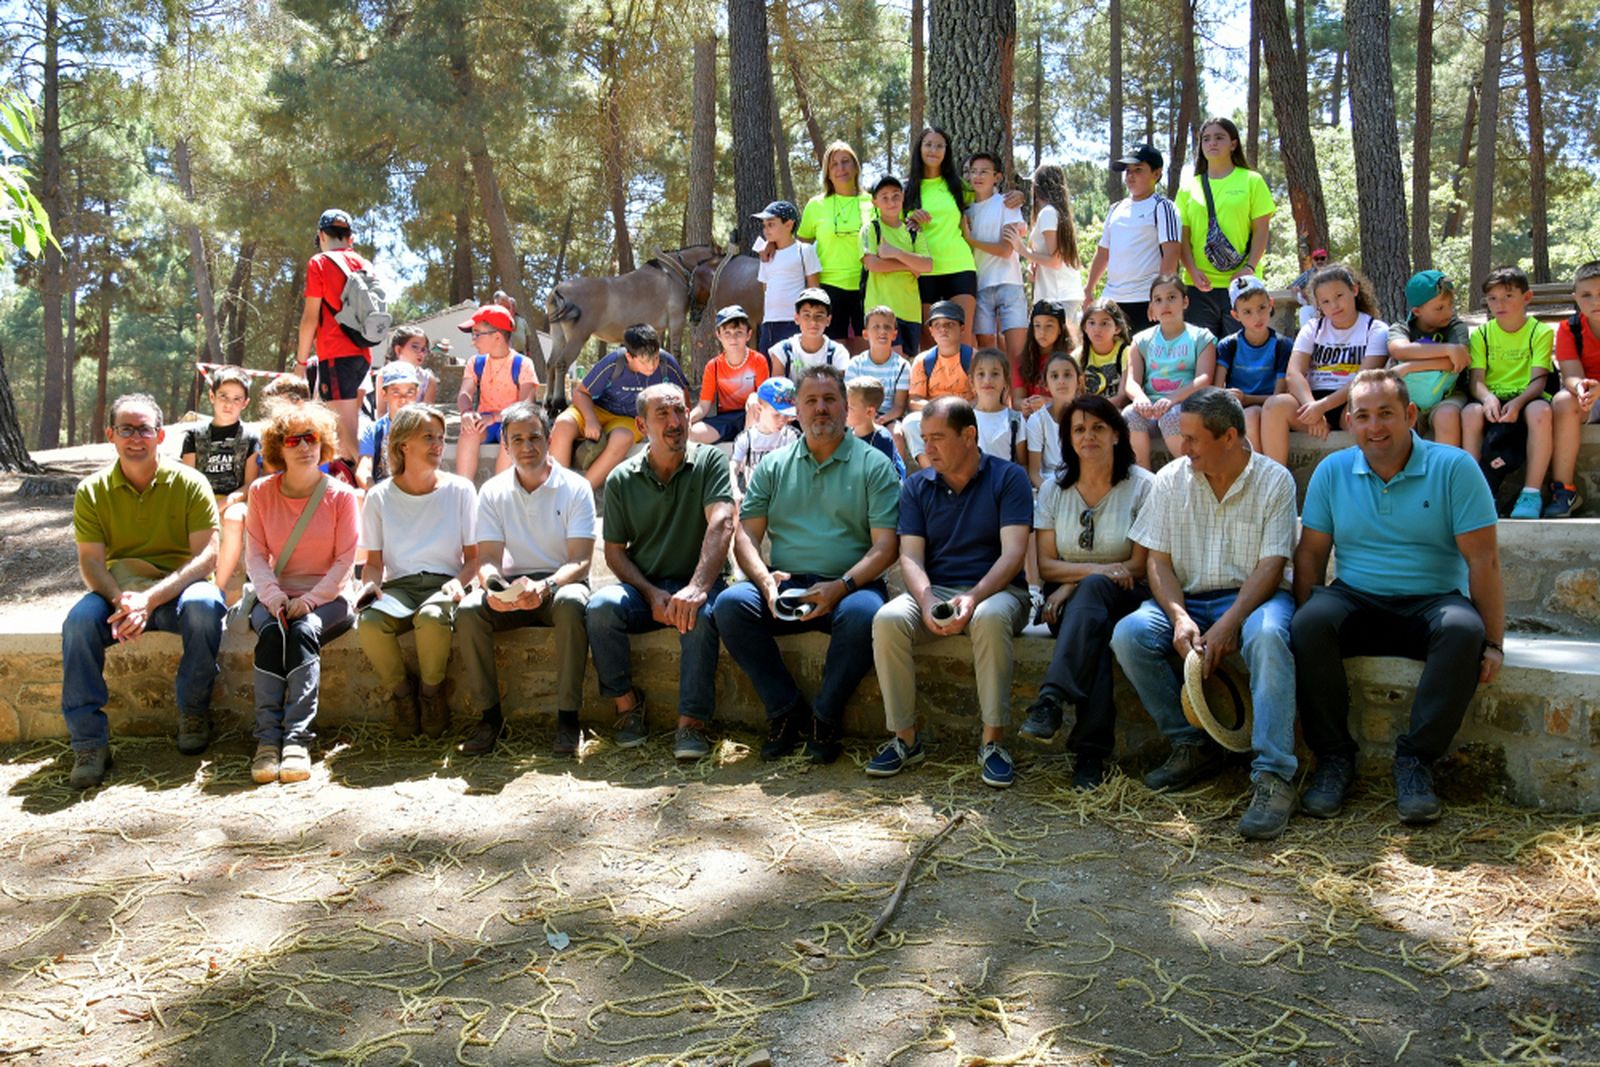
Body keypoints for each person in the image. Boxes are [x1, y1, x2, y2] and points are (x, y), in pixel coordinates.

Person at [1291, 369, 1503, 825]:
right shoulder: (1332, 471)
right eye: (1363, 416)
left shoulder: (1454, 469)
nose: (1375, 426)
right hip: (1356, 598)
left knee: (1464, 630)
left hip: (1431, 600)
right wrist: (1297, 626)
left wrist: (1495, 641)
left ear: (1410, 414)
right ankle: (1333, 760)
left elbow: (1484, 563)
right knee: (1309, 622)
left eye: (1386, 413)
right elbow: (1310, 556)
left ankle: (1415, 763)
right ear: (1349, 421)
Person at [1109, 388, 1299, 841]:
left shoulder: (1275, 481)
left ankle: (1274, 775)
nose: (1182, 447)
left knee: (1269, 636)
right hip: (1189, 598)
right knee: (1130, 634)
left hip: (1255, 598)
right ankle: (1190, 743)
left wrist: (1229, 622)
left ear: (1229, 436)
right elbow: (1157, 561)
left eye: (1192, 439)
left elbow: (1272, 566)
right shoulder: (1172, 479)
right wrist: (1178, 617)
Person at [716, 365, 901, 764]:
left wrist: (842, 586)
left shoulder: (873, 465)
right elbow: (745, 536)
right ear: (796, 411)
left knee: (865, 615)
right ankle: (784, 709)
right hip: (786, 587)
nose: (821, 409)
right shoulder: (773, 466)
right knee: (731, 606)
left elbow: (885, 547)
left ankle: (824, 717)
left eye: (830, 400)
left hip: (851, 587)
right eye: (811, 401)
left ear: (845, 407)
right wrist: (765, 583)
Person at [62, 394, 226, 789]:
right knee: (78, 625)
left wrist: (150, 600)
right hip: (120, 597)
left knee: (206, 606)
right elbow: (91, 563)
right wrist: (123, 601)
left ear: (161, 435)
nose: (136, 438)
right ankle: (89, 743)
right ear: (111, 435)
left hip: (178, 592)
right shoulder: (92, 490)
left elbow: (207, 558)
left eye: (145, 429)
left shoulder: (190, 482)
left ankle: (193, 712)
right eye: (126, 429)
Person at [868, 396, 1033, 788]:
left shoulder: (1009, 478)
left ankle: (992, 743)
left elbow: (1013, 555)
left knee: (990, 619)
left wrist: (974, 597)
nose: (929, 448)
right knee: (888, 619)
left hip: (999, 591)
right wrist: (926, 600)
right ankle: (905, 739)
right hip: (937, 590)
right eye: (925, 438)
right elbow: (910, 557)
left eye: (939, 437)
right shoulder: (916, 486)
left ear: (969, 435)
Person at [587, 384, 735, 759]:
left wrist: (698, 587)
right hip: (646, 588)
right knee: (601, 607)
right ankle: (626, 707)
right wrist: (650, 593)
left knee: (699, 616)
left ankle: (691, 725)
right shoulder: (621, 478)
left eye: (680, 412)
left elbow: (721, 523)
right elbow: (615, 553)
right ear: (640, 424)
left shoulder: (710, 462)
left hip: (700, 583)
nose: (674, 422)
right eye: (663, 414)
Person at [1019, 395, 1155, 789]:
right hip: (1072, 606)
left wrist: (1069, 585)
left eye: (1098, 427)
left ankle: (1051, 698)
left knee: (1092, 597)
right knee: (1091, 635)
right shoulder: (1053, 490)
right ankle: (1089, 758)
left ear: (1116, 434)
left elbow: (1137, 564)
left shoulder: (1142, 486)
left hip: (1128, 600)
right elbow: (1044, 565)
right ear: (1068, 438)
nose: (1088, 436)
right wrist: (1068, 585)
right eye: (1078, 429)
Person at [456, 402, 595, 758]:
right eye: (517, 439)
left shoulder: (576, 488)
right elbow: (487, 560)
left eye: (535, 437)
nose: (527, 446)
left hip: (560, 584)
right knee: (470, 610)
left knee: (570, 605)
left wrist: (546, 586)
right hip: (512, 586)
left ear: (549, 439)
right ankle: (490, 718)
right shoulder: (493, 492)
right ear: (505, 445)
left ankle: (567, 719)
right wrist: (497, 588)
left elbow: (580, 560)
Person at [243, 402, 359, 785]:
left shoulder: (341, 496)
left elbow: (345, 561)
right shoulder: (261, 492)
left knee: (303, 630)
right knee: (273, 631)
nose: (304, 446)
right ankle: (267, 742)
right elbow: (256, 555)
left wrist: (308, 601)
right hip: (274, 593)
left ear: (323, 443)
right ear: (279, 447)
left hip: (326, 598)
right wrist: (274, 597)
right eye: (293, 439)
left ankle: (297, 741)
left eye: (311, 437)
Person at [358, 405, 478, 740]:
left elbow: (474, 559)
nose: (438, 444)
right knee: (368, 624)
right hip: (399, 589)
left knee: (431, 618)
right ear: (402, 444)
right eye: (428, 437)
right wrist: (368, 587)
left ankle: (431, 695)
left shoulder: (461, 490)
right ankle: (403, 696)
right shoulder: (379, 497)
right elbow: (374, 564)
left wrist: (457, 584)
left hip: (444, 585)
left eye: (441, 438)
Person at [1261, 263, 1389, 468]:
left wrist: (1323, 407)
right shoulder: (1313, 327)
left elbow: (1364, 379)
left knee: (1364, 406)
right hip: (1310, 400)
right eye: (1326, 301)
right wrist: (1312, 409)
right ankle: (1279, 486)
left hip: (1350, 398)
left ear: (1354, 290)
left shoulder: (1376, 329)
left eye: (1339, 296)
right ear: (1318, 305)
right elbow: (1294, 373)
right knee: (1274, 406)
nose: (1334, 306)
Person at [1461, 266, 1557, 519]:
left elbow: (1539, 380)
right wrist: (1488, 398)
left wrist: (1518, 402)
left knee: (1541, 411)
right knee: (1470, 413)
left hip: (1527, 397)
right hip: (1492, 398)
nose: (1499, 304)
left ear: (1526, 297)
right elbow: (1477, 381)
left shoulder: (1540, 332)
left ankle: (1531, 492)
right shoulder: (1481, 334)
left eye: (1508, 296)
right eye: (1493, 298)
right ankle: (1479, 492)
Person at [549, 323, 689, 493]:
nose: (652, 366)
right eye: (645, 362)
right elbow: (581, 393)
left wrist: (684, 422)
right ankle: (556, 492)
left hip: (630, 419)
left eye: (656, 359)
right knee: (563, 424)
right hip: (597, 410)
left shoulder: (667, 364)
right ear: (629, 357)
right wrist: (590, 419)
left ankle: (578, 494)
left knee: (622, 438)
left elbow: (683, 393)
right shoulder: (614, 363)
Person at [1174, 120, 1274, 338]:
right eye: (1206, 138)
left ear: (1233, 144)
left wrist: (1249, 267)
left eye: (1219, 137)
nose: (1212, 143)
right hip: (1199, 287)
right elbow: (1182, 236)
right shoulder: (1188, 187)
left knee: (1240, 353)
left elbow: (1261, 230)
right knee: (1202, 354)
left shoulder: (1252, 181)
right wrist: (1191, 270)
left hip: (1242, 285)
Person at [296, 208, 376, 474]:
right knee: (347, 430)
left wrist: (301, 361)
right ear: (350, 238)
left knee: (346, 437)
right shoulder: (365, 264)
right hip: (362, 356)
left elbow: (310, 317)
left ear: (321, 235)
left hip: (335, 355)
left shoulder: (319, 263)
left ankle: (368, 492)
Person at [180, 366, 260, 601]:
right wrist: (206, 506)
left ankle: (223, 586)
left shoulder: (250, 437)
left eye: (236, 399)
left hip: (235, 500)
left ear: (245, 403)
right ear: (212, 396)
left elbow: (250, 484)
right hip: (201, 499)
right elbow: (188, 478)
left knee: (234, 517)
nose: (229, 404)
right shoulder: (194, 436)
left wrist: (225, 502)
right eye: (223, 396)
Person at [1122, 273, 1218, 467]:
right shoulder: (1141, 340)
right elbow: (1132, 381)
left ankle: (1193, 471)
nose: (1165, 304)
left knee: (1171, 417)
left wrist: (1172, 399)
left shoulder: (1201, 337)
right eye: (1158, 300)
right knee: (1129, 414)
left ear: (1185, 301)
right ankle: (1146, 476)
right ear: (1152, 306)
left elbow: (1204, 378)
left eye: (1171, 297)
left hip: (1185, 407)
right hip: (1150, 409)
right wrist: (1140, 399)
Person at [1085, 144, 1181, 335]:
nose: (1130, 176)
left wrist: (1158, 299)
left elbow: (1171, 254)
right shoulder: (1116, 208)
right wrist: (1088, 289)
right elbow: (1103, 252)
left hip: (1144, 301)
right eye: (1128, 171)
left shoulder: (1164, 207)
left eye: (1138, 170)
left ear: (1157, 173)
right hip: (1112, 302)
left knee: (1143, 362)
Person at [797, 141, 873, 352]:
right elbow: (801, 246)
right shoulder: (816, 205)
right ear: (827, 173)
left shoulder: (872, 201)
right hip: (828, 286)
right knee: (835, 352)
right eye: (834, 165)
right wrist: (772, 245)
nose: (841, 169)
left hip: (866, 285)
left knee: (864, 349)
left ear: (856, 166)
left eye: (846, 162)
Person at [905, 127, 978, 344]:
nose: (933, 150)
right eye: (928, 144)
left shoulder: (959, 186)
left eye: (939, 145)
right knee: (929, 341)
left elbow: (988, 198)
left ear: (946, 151)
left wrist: (1018, 196)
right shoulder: (906, 189)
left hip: (960, 267)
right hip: (924, 270)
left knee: (962, 339)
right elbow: (892, 227)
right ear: (919, 149)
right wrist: (909, 220)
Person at [455, 304, 539, 481]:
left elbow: (525, 406)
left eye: (477, 334)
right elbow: (465, 393)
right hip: (485, 421)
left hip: (513, 421)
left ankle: (497, 495)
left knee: (509, 436)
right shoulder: (475, 363)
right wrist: (466, 412)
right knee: (469, 431)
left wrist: (495, 417)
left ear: (497, 337)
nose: (473, 340)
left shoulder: (523, 364)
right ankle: (463, 491)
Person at [1386, 270, 1470, 448]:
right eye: (1439, 308)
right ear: (1417, 311)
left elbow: (1457, 361)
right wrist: (1448, 348)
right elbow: (1399, 350)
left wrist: (1409, 367)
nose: (1448, 312)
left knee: (1446, 415)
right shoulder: (1402, 327)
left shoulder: (1455, 327)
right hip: (1410, 397)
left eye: (1450, 305)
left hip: (1448, 396)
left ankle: (1447, 473)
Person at [963, 152, 1029, 365]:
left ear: (997, 177)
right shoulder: (966, 210)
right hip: (980, 287)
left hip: (1009, 285)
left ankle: (1018, 398)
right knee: (987, 356)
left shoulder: (1007, 203)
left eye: (984, 171)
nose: (977, 176)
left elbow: (1005, 249)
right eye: (973, 172)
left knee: (1016, 354)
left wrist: (972, 240)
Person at [1214, 276, 1292, 452]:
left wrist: (1247, 398)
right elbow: (1217, 391)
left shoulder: (1282, 345)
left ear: (1270, 304)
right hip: (1237, 409)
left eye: (1262, 308)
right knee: (1250, 415)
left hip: (1270, 409)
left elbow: (1278, 396)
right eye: (1247, 312)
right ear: (1235, 315)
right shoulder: (1228, 345)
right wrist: (1233, 397)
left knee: (1255, 413)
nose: (1257, 317)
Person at [1549, 260, 1600, 517]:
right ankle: (1565, 491)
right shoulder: (1570, 329)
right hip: (1589, 397)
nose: (1595, 302)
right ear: (1575, 298)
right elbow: (1570, 374)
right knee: (1561, 401)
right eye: (1587, 295)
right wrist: (1581, 388)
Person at [860, 175, 932, 354]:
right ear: (875, 201)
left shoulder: (913, 231)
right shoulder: (871, 229)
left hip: (911, 311)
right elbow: (872, 264)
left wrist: (895, 253)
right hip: (881, 311)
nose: (891, 202)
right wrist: (909, 265)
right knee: (892, 362)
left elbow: (927, 265)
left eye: (896, 196)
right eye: (884, 197)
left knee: (908, 367)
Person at [900, 301, 976, 465]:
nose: (943, 329)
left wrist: (959, 409)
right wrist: (939, 410)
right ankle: (931, 473)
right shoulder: (923, 360)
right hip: (932, 412)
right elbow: (914, 399)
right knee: (911, 422)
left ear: (962, 329)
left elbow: (981, 398)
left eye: (950, 324)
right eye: (937, 325)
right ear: (931, 331)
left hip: (967, 412)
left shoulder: (973, 358)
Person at [689, 305, 770, 445]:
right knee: (693, 433)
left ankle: (746, 446)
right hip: (724, 420)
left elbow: (764, 400)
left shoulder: (758, 360)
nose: (733, 338)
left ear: (748, 334)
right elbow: (704, 406)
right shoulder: (713, 366)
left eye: (739, 332)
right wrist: (688, 418)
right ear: (718, 335)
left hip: (752, 416)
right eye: (727, 333)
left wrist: (754, 404)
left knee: (753, 398)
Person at [1017, 162, 1085, 324]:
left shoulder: (1047, 213)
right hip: (1061, 294)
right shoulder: (1057, 213)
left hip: (1058, 297)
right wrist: (1034, 263)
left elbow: (1055, 261)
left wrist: (1021, 249)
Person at [754, 200, 820, 353]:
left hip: (794, 323)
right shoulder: (766, 255)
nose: (765, 230)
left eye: (771, 224)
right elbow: (766, 288)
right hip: (769, 324)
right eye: (764, 225)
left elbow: (814, 289)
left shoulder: (805, 250)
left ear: (789, 225)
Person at [358, 361, 423, 488]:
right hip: (383, 493)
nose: (403, 399)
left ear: (417, 393)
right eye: (396, 392)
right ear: (384, 394)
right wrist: (376, 492)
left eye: (409, 392)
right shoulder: (374, 431)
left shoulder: (425, 429)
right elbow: (363, 469)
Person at [731, 376, 802, 493]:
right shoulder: (746, 438)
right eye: (776, 415)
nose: (782, 420)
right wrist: (735, 489)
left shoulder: (792, 436)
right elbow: (734, 464)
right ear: (759, 409)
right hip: (754, 496)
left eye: (787, 416)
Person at [846, 306, 913, 425]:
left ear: (894, 334)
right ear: (865, 334)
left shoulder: (902, 366)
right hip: (860, 417)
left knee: (896, 435)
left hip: (889, 418)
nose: (882, 331)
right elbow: (850, 400)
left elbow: (899, 406)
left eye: (887, 327)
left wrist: (883, 419)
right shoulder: (855, 364)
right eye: (876, 327)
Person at [1025, 352, 1082, 488]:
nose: (1061, 381)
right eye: (1054, 376)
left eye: (1067, 375)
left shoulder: (1088, 417)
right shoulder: (1037, 420)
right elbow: (1034, 473)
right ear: (1045, 384)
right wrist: (1052, 496)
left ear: (1079, 381)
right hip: (1050, 486)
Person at [767, 288, 851, 379]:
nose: (813, 322)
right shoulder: (783, 350)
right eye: (807, 315)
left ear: (828, 320)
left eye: (819, 316)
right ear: (797, 318)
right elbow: (777, 389)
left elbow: (841, 389)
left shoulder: (838, 353)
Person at [969, 347, 1027, 466]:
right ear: (971, 382)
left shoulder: (1016, 420)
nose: (987, 380)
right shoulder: (965, 418)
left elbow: (1023, 464)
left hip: (1004, 482)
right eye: (981, 374)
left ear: (1005, 381)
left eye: (995, 374)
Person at [1014, 300, 1070, 413]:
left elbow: (1075, 400)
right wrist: (1024, 404)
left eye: (1049, 326)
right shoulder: (1022, 360)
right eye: (1037, 325)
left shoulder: (1071, 359)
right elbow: (1017, 400)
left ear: (1060, 329)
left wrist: (1049, 403)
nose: (1042, 332)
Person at [846, 377, 907, 477]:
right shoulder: (846, 435)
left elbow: (884, 478)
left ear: (869, 412)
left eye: (849, 408)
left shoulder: (882, 440)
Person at [375, 326, 440, 418]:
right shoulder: (383, 375)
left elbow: (427, 416)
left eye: (423, 349)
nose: (421, 353)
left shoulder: (428, 379)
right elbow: (381, 413)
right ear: (398, 350)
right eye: (415, 347)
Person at [1078, 298, 1134, 403]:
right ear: (1085, 327)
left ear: (1117, 328)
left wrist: (1097, 409)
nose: (1097, 329)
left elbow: (1122, 397)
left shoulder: (1126, 353)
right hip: (1086, 411)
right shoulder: (1078, 355)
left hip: (1115, 411)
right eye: (1092, 323)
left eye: (1104, 323)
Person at [1290, 248, 1330, 328]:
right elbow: (1292, 286)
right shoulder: (1308, 274)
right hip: (1314, 306)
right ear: (1312, 261)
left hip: (1330, 305)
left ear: (1326, 259)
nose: (1319, 261)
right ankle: (1307, 337)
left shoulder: (1333, 272)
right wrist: (1299, 290)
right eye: (1316, 259)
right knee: (1304, 311)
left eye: (1322, 258)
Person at [494, 289, 532, 356]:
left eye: (514, 305)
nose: (512, 306)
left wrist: (528, 350)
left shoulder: (522, 320)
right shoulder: (503, 319)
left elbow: (527, 336)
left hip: (521, 353)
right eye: (510, 304)